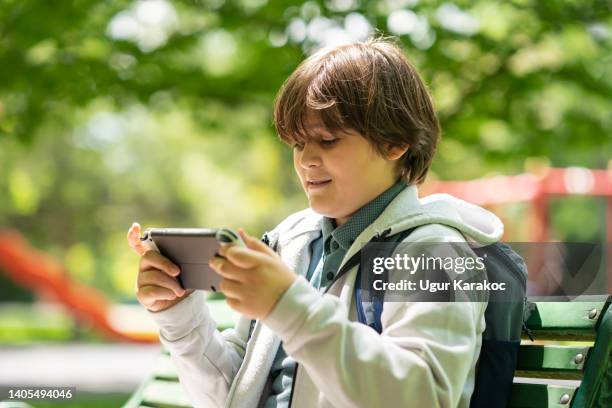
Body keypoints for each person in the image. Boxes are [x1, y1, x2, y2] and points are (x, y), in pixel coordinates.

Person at [129, 38, 504, 408]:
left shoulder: (432, 252)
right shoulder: (292, 243)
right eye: (297, 144)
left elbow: (423, 398)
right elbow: (230, 397)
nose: (306, 160)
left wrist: (290, 309)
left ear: (395, 142)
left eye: (328, 140)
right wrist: (178, 314)